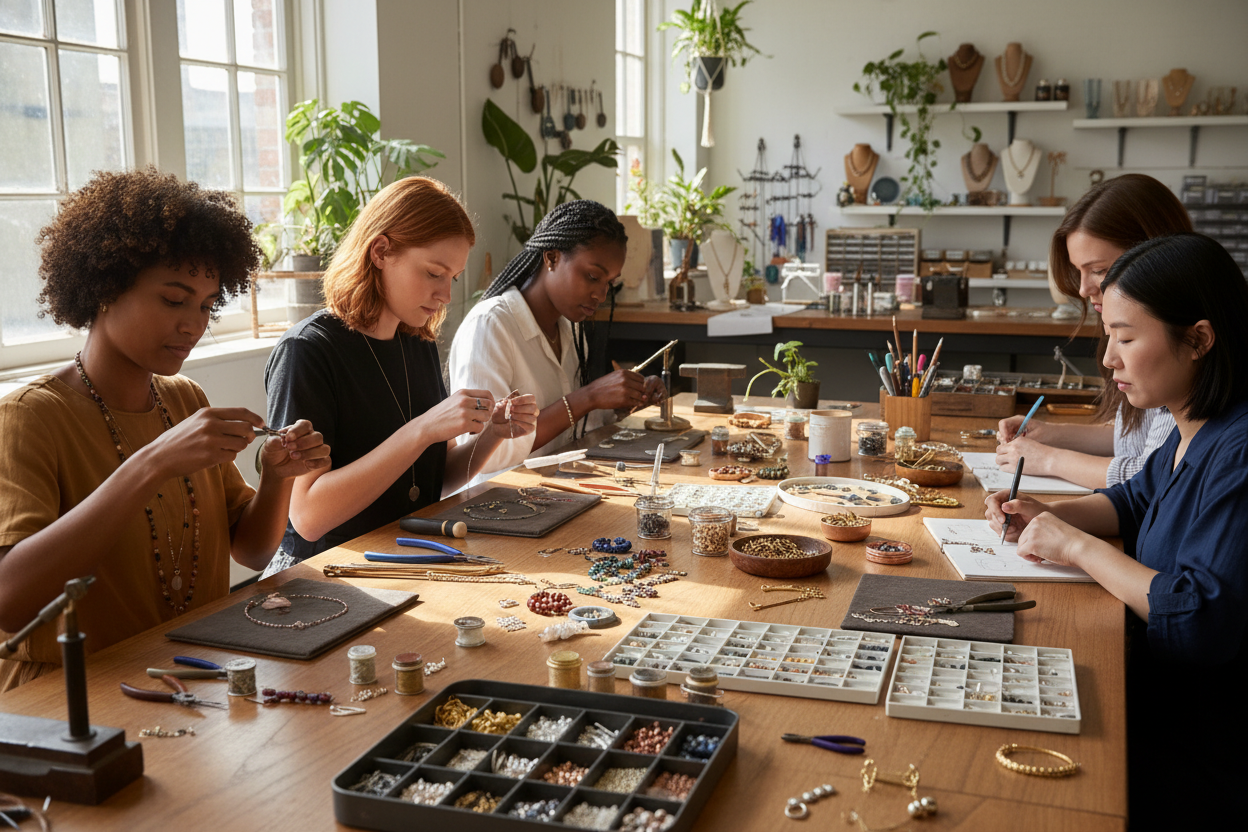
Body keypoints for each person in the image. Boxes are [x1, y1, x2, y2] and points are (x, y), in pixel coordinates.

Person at [0, 168, 330, 691]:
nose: (193, 324)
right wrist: (152, 463)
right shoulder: (30, 417)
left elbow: (250, 552)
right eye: (174, 300)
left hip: (185, 675)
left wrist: (277, 478)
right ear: (105, 288)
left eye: (206, 306)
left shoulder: (184, 399)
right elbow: (10, 604)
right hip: (71, 700)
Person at [985, 233, 1246, 827]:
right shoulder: (1193, 427)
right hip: (1156, 700)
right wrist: (1045, 514)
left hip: (1198, 747)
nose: (1108, 359)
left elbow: (1200, 617)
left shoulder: (1238, 450)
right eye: (1108, 337)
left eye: (1126, 338)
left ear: (1199, 340)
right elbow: (1134, 500)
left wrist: (1075, 546)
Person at [264, 176, 537, 571]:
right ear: (380, 252)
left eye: (452, 278)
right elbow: (307, 517)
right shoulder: (307, 351)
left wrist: (493, 433)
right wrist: (422, 429)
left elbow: (429, 483)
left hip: (402, 557)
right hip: (323, 574)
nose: (446, 295)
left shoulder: (417, 343)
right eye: (434, 273)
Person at [995, 174, 1192, 489]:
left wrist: (1049, 460)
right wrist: (1051, 435)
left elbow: (1154, 477)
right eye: (1079, 271)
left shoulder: (1183, 347)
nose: (1084, 289)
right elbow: (1137, 439)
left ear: (1155, 254)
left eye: (1099, 270)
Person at [447, 200, 663, 480]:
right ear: (551, 258)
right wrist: (588, 397)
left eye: (609, 283)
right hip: (498, 498)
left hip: (559, 490)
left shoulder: (569, 328)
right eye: (593, 276)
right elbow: (484, 454)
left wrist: (624, 403)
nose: (600, 295)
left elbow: (573, 433)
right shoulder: (490, 326)